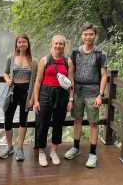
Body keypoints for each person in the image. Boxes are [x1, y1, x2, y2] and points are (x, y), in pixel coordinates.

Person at [64, 23, 108, 168]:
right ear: (82, 35)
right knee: (77, 120)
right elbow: (71, 74)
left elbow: (103, 76)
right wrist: (71, 94)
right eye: (85, 34)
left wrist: (100, 95)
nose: (88, 37)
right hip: (77, 92)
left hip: (93, 92)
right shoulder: (76, 52)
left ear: (95, 35)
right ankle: (76, 148)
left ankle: (93, 154)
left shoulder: (100, 54)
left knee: (93, 123)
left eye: (91, 34)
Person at [33, 34, 74, 167]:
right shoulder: (44, 61)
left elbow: (71, 82)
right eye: (56, 43)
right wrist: (36, 100)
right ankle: (41, 151)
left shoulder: (68, 62)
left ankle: (54, 150)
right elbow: (37, 82)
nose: (58, 46)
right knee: (43, 123)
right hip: (45, 93)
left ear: (64, 45)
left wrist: (70, 99)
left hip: (62, 94)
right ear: (52, 44)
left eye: (60, 44)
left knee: (58, 123)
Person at [0, 34, 38, 161]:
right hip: (12, 91)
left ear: (28, 44)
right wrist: (7, 80)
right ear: (16, 44)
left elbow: (36, 80)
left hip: (26, 91)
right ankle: (9, 147)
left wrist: (32, 97)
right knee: (8, 119)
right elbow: (5, 72)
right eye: (19, 42)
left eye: (24, 42)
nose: (22, 44)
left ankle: (20, 148)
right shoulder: (11, 57)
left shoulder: (34, 60)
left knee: (23, 119)